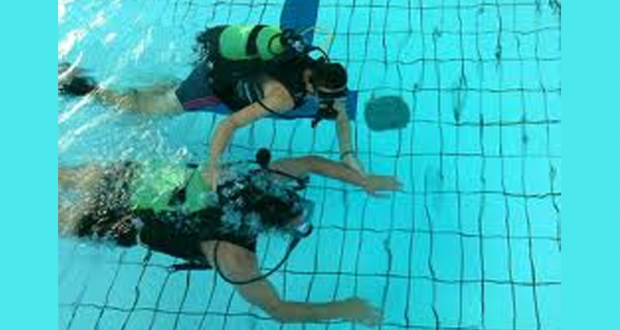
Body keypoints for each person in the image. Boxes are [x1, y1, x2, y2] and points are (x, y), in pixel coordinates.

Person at [58, 152, 400, 326]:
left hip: (137, 177)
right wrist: (343, 309)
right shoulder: (237, 259)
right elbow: (278, 310)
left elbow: (311, 163)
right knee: (61, 219)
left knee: (67, 175)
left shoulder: (258, 180)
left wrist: (364, 180)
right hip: (124, 222)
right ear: (269, 227)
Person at [58, 25, 364, 190]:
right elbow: (228, 125)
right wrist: (214, 165)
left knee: (166, 91)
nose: (325, 103)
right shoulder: (281, 98)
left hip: (223, 62)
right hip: (208, 87)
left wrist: (348, 155)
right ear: (312, 85)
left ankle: (158, 86)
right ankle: (84, 87)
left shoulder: (310, 62)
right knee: (147, 109)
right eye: (322, 97)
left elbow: (337, 110)